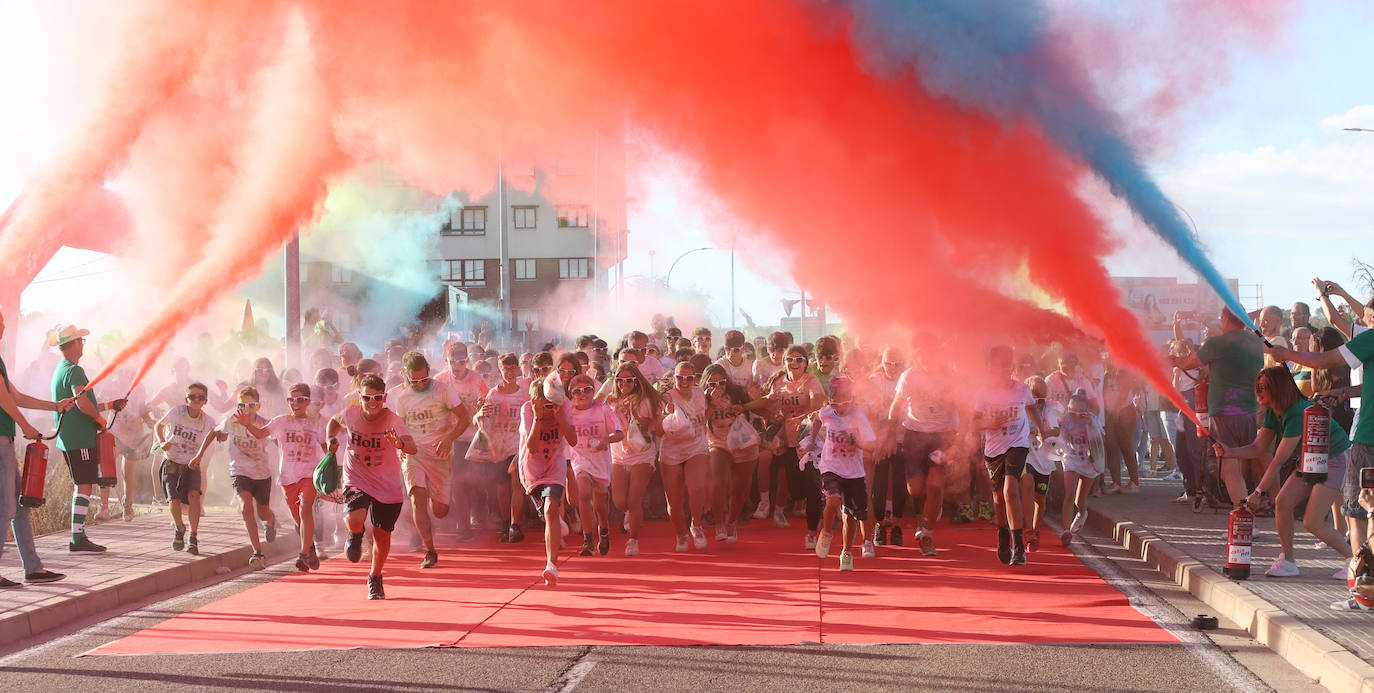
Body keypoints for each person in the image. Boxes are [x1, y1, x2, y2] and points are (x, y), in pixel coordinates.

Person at [1213, 366, 1353, 579]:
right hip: (1310, 460)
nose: (1257, 391)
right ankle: (1288, 561)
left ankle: (1355, 562)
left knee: (1312, 521)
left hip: (1334, 458)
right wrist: (1229, 451)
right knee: (1282, 502)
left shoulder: (1297, 412)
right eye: (1256, 386)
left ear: (1276, 388)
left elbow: (1278, 461)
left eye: (1262, 387)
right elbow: (1258, 448)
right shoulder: (1273, 411)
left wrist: (1258, 493)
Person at [326, 373, 417, 600]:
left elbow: (413, 447)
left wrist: (400, 444)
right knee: (355, 519)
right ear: (360, 397)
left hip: (387, 484)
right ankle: (354, 534)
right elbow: (333, 423)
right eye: (367, 398)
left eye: (377, 397)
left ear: (384, 397)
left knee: (382, 536)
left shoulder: (393, 420)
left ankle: (375, 577)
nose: (372, 402)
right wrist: (331, 440)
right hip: (356, 476)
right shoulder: (350, 413)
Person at [0, 310, 72, 587]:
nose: (4, 327)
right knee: (6, 506)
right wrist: (26, 425)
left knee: (20, 506)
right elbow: (4, 397)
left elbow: (16, 396)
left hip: (5, 438)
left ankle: (33, 568)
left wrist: (54, 406)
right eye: (0, 322)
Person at [49, 325, 128, 554]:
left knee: (82, 484)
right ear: (74, 344)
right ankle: (77, 538)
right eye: (81, 341)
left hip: (69, 437)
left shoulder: (61, 369)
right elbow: (82, 403)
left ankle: (78, 536)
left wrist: (109, 406)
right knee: (84, 485)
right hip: (79, 438)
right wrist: (100, 419)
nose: (83, 344)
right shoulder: (75, 370)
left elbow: (79, 403)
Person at [1173, 309, 1265, 506]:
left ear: (1224, 318)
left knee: (1228, 467)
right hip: (1249, 411)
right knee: (1239, 465)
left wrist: (1172, 359)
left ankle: (1243, 517)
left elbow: (1189, 363)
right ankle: (1246, 514)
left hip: (1224, 413)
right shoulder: (1255, 342)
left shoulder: (1218, 343)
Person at [389, 351, 469, 568]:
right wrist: (400, 446)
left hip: (441, 454)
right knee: (417, 498)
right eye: (415, 380)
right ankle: (429, 550)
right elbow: (400, 426)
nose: (420, 384)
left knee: (440, 511)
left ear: (428, 373)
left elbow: (465, 417)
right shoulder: (403, 398)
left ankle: (438, 503)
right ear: (406, 376)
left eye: (424, 379)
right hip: (414, 454)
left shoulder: (443, 391)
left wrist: (449, 438)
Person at [237, 382, 327, 572]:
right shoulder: (281, 421)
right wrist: (248, 425)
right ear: (288, 401)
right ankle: (309, 547)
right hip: (287, 477)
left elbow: (325, 447)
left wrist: (331, 463)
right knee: (298, 520)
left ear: (308, 401)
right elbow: (261, 434)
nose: (296, 403)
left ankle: (303, 555)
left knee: (305, 508)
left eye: (301, 399)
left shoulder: (316, 423)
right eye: (291, 399)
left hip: (309, 474)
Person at [972, 346, 1050, 566]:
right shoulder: (983, 392)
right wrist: (990, 423)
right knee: (998, 498)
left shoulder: (1022, 390)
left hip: (1018, 444)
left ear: (1011, 368)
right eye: (996, 366)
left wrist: (1042, 429)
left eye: (1006, 366)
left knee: (1011, 489)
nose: (1001, 371)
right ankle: (1003, 534)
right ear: (990, 369)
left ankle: (1018, 547)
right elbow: (973, 422)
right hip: (994, 448)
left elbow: (1032, 408)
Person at [190, 386, 277, 569]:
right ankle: (258, 553)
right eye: (242, 405)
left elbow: (278, 440)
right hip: (239, 470)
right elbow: (214, 432)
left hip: (262, 473)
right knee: (246, 507)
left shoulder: (263, 423)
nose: (246, 409)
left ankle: (271, 522)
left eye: (251, 405)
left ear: (258, 406)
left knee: (264, 513)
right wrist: (199, 455)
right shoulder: (232, 420)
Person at [754, 345, 828, 550]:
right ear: (784, 362)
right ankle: (816, 502)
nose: (794, 363)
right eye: (790, 359)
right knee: (796, 491)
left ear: (806, 363)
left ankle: (812, 532)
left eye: (799, 360)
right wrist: (745, 407)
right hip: (789, 443)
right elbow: (766, 403)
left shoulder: (812, 381)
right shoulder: (780, 382)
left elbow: (818, 404)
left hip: (812, 442)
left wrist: (804, 417)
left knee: (813, 487)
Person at [888, 350, 959, 555]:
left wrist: (961, 437)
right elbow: (895, 407)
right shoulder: (909, 376)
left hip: (942, 436)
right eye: (921, 355)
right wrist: (891, 435)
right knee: (917, 491)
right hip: (915, 436)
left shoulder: (949, 376)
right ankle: (929, 508)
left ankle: (926, 534)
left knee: (935, 485)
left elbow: (960, 407)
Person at [812, 377, 876, 571]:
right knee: (832, 500)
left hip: (854, 471)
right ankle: (826, 533)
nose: (840, 407)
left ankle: (846, 552)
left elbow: (871, 446)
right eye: (835, 402)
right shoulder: (827, 413)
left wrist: (855, 441)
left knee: (851, 514)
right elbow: (815, 418)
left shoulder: (858, 416)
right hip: (831, 466)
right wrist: (811, 440)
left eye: (845, 401)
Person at [519, 376, 577, 587]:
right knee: (547, 514)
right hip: (532, 468)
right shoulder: (527, 410)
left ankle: (551, 565)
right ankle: (556, 523)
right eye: (543, 400)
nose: (548, 404)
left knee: (552, 508)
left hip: (555, 463)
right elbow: (532, 446)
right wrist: (538, 417)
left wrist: (558, 415)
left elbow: (573, 440)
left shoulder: (564, 406)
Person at [604, 361, 661, 556]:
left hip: (643, 454)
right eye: (620, 380)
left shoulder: (645, 400)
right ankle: (632, 514)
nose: (624, 384)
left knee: (634, 499)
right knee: (620, 501)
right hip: (619, 455)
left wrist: (633, 412)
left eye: (629, 380)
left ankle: (633, 540)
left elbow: (653, 426)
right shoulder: (610, 401)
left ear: (636, 381)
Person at [434, 341, 488, 542]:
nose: (457, 366)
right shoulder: (440, 380)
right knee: (457, 482)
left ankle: (480, 510)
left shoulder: (477, 380)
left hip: (475, 437)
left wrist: (482, 407)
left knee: (476, 480)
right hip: (452, 437)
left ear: (468, 361)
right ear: (446, 361)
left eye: (461, 362)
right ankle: (463, 524)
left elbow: (489, 403)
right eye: (452, 362)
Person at [154, 383, 217, 555]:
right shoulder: (176, 412)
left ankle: (193, 536)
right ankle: (179, 527)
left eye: (201, 397)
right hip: (172, 461)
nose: (196, 400)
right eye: (192, 396)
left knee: (194, 496)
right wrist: (161, 442)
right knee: (173, 500)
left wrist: (200, 455)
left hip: (191, 464)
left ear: (205, 401)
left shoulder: (208, 420)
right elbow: (158, 426)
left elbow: (214, 434)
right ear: (186, 398)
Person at [565, 374, 622, 556]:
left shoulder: (603, 410)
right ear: (571, 394)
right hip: (580, 460)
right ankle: (587, 539)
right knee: (583, 493)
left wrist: (607, 439)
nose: (583, 394)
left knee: (600, 504)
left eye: (587, 390)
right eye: (577, 391)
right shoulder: (568, 413)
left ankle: (604, 530)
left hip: (601, 461)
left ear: (593, 391)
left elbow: (619, 434)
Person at [660, 361, 714, 551]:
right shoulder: (666, 398)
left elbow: (704, 416)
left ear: (694, 379)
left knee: (696, 487)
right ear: (673, 378)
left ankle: (696, 525)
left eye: (689, 378)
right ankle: (681, 534)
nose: (684, 381)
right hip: (671, 451)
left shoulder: (700, 394)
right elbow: (658, 430)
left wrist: (714, 405)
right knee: (674, 503)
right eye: (680, 377)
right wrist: (667, 417)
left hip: (696, 446)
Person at [701, 363, 756, 544]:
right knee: (719, 480)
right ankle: (719, 523)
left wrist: (741, 408)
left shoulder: (737, 393)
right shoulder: (701, 398)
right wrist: (711, 405)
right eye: (712, 384)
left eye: (721, 383)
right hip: (718, 443)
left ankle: (731, 521)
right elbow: (698, 421)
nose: (717, 388)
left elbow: (751, 410)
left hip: (742, 443)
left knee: (740, 488)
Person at [1058, 390, 1104, 546]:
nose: (1076, 415)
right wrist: (1059, 423)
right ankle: (1066, 530)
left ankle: (1083, 513)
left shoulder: (1093, 419)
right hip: (1071, 459)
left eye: (1080, 411)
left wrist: (1091, 426)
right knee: (1069, 494)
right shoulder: (1066, 420)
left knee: (1080, 500)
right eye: (1073, 411)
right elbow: (1056, 437)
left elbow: (1102, 440)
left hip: (1088, 461)